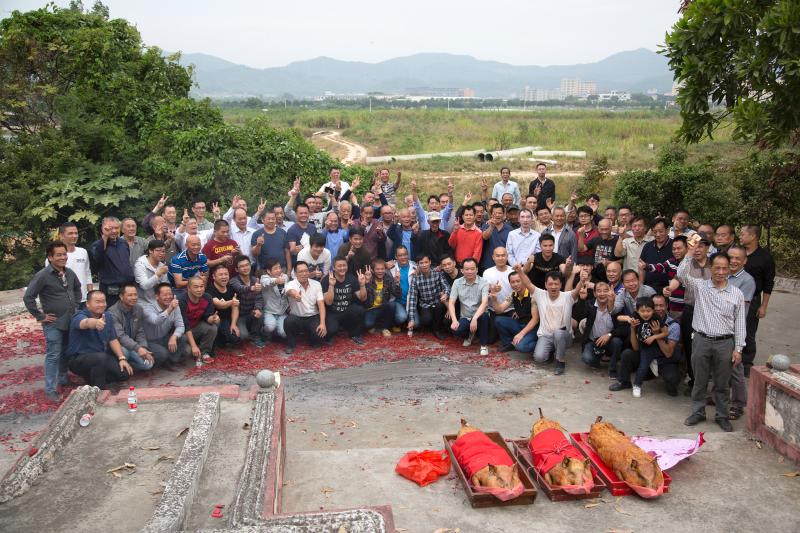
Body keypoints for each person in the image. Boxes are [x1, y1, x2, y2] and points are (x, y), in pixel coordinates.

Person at [678, 249, 746, 432]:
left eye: (724, 268)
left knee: (722, 384)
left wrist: (738, 348)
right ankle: (698, 412)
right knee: (699, 381)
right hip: (701, 340)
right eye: (717, 268)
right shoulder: (700, 287)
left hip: (725, 343)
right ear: (711, 268)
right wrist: (689, 253)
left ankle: (722, 415)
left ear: (729, 269)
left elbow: (740, 323)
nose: (721, 272)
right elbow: (681, 274)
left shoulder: (737, 294)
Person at [24, 241, 82, 400]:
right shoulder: (43, 275)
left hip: (69, 321)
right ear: (50, 257)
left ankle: (63, 379)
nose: (63, 257)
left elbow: (77, 288)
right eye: (59, 255)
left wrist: (76, 305)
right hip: (53, 323)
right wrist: (40, 316)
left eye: (64, 254)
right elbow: (28, 297)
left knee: (65, 353)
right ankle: (50, 390)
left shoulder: (69, 273)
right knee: (53, 355)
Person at [517, 267, 587, 375]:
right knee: (539, 358)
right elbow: (528, 283)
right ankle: (551, 351)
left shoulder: (568, 296)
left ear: (561, 285)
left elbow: (577, 289)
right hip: (546, 336)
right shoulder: (540, 294)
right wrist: (519, 271)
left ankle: (560, 361)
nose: (553, 286)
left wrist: (582, 281)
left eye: (556, 284)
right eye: (550, 284)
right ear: (545, 285)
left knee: (558, 333)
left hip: (564, 336)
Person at [611, 294, 684, 396]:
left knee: (672, 379)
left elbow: (668, 353)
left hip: (662, 359)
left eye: (661, 305)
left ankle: (661, 378)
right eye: (655, 305)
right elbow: (636, 347)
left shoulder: (673, 325)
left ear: (667, 306)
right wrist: (632, 328)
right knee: (627, 354)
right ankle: (624, 382)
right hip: (645, 352)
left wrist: (656, 334)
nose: (658, 309)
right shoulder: (641, 318)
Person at [668, 232, 711, 390]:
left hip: (710, 312)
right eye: (694, 246)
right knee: (689, 346)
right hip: (691, 309)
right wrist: (689, 255)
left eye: (701, 246)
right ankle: (694, 380)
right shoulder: (687, 263)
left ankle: (707, 381)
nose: (697, 249)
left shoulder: (715, 264)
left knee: (707, 347)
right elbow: (679, 275)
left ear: (708, 247)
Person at [65, 290, 133, 390]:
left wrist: (122, 358)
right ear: (88, 304)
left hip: (100, 357)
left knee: (125, 374)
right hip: (78, 359)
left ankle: (91, 377)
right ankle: (98, 389)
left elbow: (113, 339)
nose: (101, 305)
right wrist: (96, 323)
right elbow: (85, 323)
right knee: (101, 358)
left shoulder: (107, 316)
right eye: (97, 302)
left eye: (103, 301)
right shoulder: (79, 315)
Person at [739, 225, 775, 378]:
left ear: (753, 236)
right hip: (731, 297)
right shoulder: (738, 253)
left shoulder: (765, 258)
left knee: (748, 332)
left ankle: (746, 364)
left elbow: (768, 283)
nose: (740, 236)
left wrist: (763, 306)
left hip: (752, 300)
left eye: (742, 234)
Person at [726, 245, 756, 420]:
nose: (733, 261)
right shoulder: (722, 275)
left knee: (735, 367)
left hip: (734, 329)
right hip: (717, 328)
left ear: (745, 261)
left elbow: (739, 311)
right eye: (731, 257)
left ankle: (738, 404)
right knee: (718, 365)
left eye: (738, 258)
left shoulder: (747, 281)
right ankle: (715, 395)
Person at [577, 281, 624, 376]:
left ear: (610, 292)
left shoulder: (615, 307)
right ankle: (598, 359)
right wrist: (582, 300)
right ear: (594, 293)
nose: (602, 294)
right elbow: (579, 316)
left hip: (610, 340)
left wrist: (610, 335)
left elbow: (623, 328)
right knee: (587, 358)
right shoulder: (590, 304)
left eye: (605, 291)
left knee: (617, 342)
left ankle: (612, 368)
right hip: (593, 341)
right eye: (599, 291)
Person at [108, 284, 155, 372]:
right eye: (130, 295)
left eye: (135, 294)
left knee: (148, 365)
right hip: (119, 345)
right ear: (121, 297)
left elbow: (140, 331)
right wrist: (138, 348)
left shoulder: (138, 309)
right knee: (125, 352)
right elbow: (120, 336)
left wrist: (143, 347)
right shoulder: (112, 312)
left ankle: (130, 366)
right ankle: (120, 365)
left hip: (133, 344)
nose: (134, 298)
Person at [448, 258, 490, 355]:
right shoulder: (457, 282)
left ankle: (483, 345)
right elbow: (451, 302)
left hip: (480, 315)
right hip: (465, 316)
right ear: (462, 271)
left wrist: (474, 319)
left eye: (472, 269)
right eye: (466, 269)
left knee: (483, 317)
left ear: (477, 270)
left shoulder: (484, 282)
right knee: (456, 330)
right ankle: (469, 335)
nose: (469, 271)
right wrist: (454, 320)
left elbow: (484, 302)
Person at [321, 257, 368, 345]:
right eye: (339, 266)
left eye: (344, 265)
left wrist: (362, 285)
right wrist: (331, 286)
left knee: (359, 310)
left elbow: (363, 298)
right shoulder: (326, 280)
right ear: (334, 267)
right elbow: (328, 302)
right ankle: (336, 329)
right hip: (332, 312)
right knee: (331, 331)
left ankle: (355, 334)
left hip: (347, 310)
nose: (342, 268)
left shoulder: (352, 279)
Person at [90, 216, 135, 306]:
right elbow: (97, 261)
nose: (114, 231)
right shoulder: (97, 245)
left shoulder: (123, 243)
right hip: (111, 291)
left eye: (116, 228)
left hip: (127, 288)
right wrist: (105, 238)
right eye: (110, 228)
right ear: (103, 229)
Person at [284, 261, 327, 354]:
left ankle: (311, 338)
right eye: (301, 271)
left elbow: (321, 304)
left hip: (312, 316)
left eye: (306, 271)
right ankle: (290, 344)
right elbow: (289, 291)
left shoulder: (316, 284)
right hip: (296, 317)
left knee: (318, 337)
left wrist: (322, 323)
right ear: (295, 273)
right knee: (288, 321)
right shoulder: (290, 284)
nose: (304, 274)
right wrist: (295, 295)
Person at [493, 270, 539, 354]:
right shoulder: (513, 294)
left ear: (524, 281)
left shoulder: (532, 295)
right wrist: (494, 299)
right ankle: (509, 344)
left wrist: (521, 334)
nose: (515, 284)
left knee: (521, 347)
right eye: (513, 282)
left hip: (533, 328)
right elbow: (499, 310)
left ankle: (542, 345)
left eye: (518, 281)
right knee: (498, 320)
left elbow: (535, 320)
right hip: (520, 324)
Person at [142, 283, 186, 370]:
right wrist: (170, 309)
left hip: (164, 337)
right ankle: (159, 362)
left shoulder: (174, 306)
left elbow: (180, 325)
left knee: (182, 338)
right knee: (162, 353)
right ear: (157, 297)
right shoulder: (148, 308)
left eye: (170, 294)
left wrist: (174, 336)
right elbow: (155, 321)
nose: (168, 297)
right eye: (165, 295)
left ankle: (171, 362)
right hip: (149, 341)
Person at [178, 276, 220, 365]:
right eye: (196, 287)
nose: (199, 289)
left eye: (201, 286)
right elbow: (185, 325)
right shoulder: (182, 300)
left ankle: (205, 352)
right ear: (188, 288)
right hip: (181, 332)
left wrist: (213, 319)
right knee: (188, 351)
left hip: (195, 327)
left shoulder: (207, 297)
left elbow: (207, 317)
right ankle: (192, 347)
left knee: (212, 327)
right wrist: (193, 346)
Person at [47, 222, 93, 303]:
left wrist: (91, 296)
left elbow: (87, 274)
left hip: (84, 300)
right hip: (64, 302)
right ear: (61, 236)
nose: (74, 236)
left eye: (76, 233)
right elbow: (49, 281)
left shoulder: (83, 252)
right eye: (70, 233)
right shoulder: (54, 257)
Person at [407, 255, 450, 339]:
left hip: (438, 302)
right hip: (425, 304)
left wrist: (446, 294)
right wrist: (411, 319)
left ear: (430, 262)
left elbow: (446, 286)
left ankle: (436, 329)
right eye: (421, 263)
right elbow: (412, 298)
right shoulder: (415, 277)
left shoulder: (437, 272)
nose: (424, 265)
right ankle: (431, 324)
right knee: (426, 320)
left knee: (440, 306)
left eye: (426, 262)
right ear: (418, 264)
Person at [646, 235, 688, 319]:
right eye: (674, 249)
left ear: (687, 248)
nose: (676, 251)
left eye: (679, 248)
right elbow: (661, 267)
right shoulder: (671, 262)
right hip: (674, 307)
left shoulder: (693, 264)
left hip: (689, 307)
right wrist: (647, 266)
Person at [230, 255, 266, 347]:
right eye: (242, 266)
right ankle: (248, 332)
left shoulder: (255, 279)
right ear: (237, 269)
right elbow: (240, 288)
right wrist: (252, 288)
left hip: (251, 313)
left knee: (260, 313)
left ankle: (255, 335)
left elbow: (259, 298)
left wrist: (257, 308)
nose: (245, 268)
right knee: (243, 336)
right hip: (239, 316)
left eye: (247, 265)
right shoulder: (233, 281)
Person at [207, 264, 242, 348]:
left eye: (226, 274)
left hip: (229, 317)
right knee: (231, 339)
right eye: (220, 274)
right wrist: (232, 302)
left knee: (240, 337)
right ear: (214, 277)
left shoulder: (231, 288)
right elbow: (219, 305)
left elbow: (235, 307)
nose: (224, 277)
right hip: (216, 319)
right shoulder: (209, 289)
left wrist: (233, 324)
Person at [364, 259, 400, 336]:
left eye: (382, 269)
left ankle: (385, 328)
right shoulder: (369, 278)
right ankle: (376, 324)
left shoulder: (388, 279)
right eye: (377, 269)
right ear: (373, 270)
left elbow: (397, 294)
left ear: (385, 269)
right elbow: (364, 299)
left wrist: (397, 282)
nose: (380, 271)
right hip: (371, 308)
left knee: (392, 305)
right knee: (368, 324)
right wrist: (366, 283)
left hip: (383, 307)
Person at [638, 218, 673, 294]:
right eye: (655, 232)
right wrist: (641, 287)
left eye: (661, 231)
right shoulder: (647, 246)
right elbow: (641, 268)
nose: (657, 234)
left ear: (668, 230)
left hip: (667, 288)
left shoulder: (674, 246)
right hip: (648, 287)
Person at [388, 246, 416, 328]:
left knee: (417, 324)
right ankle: (394, 323)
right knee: (401, 317)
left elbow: (426, 266)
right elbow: (378, 267)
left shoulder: (415, 266)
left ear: (408, 255)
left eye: (405, 254)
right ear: (396, 257)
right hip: (397, 301)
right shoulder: (390, 268)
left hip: (410, 302)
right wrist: (396, 281)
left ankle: (405, 320)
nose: (403, 257)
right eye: (400, 255)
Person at [134, 239, 168, 305]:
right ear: (150, 251)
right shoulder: (140, 264)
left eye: (163, 251)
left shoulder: (162, 266)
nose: (161, 253)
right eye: (158, 250)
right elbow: (144, 286)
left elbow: (164, 285)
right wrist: (158, 275)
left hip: (158, 300)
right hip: (143, 301)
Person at [481, 204, 512, 271]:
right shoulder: (486, 226)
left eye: (500, 213)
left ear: (504, 214)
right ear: (491, 214)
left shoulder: (509, 229)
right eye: (495, 213)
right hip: (487, 264)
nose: (497, 215)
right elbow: (485, 237)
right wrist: (491, 227)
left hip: (504, 265)